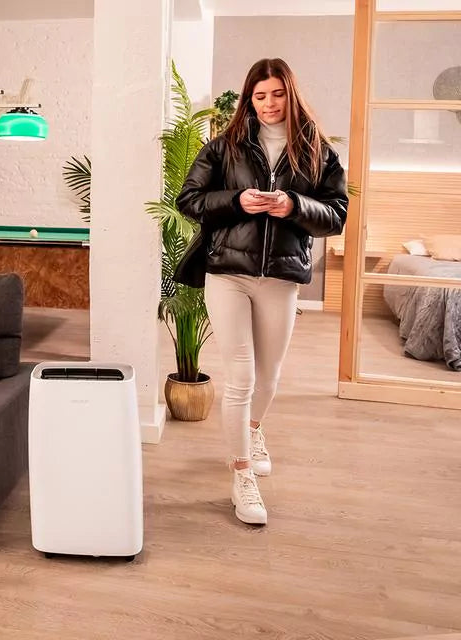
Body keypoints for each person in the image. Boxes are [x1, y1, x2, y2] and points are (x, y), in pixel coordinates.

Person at [176, 58, 348, 526]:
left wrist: (294, 205)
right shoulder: (223, 146)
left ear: (291, 95)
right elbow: (189, 200)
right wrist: (237, 201)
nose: (269, 104)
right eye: (260, 95)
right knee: (241, 377)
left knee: (269, 377)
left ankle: (252, 431)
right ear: (248, 99)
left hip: (281, 277)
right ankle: (241, 474)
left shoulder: (318, 152)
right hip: (227, 273)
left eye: (277, 94)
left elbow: (337, 215)